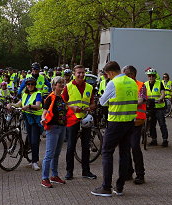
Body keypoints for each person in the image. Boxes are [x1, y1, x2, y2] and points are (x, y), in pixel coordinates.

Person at [91, 61, 142, 197]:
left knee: (107, 152)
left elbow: (102, 102)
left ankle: (106, 187)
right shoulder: (132, 82)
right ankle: (119, 187)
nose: (108, 77)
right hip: (130, 122)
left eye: (108, 75)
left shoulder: (113, 83)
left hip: (115, 123)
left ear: (111, 72)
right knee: (124, 154)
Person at [40, 76, 78, 188]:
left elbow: (66, 108)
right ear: (54, 85)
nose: (62, 84)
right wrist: (43, 119)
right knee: (49, 154)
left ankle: (54, 176)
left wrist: (74, 108)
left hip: (62, 128)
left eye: (63, 82)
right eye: (59, 83)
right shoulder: (50, 98)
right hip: (53, 128)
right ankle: (44, 178)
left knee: (56, 154)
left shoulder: (61, 98)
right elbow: (45, 112)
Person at [62, 65, 97, 180]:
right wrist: (72, 108)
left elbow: (93, 103)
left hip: (85, 119)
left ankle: (86, 171)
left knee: (86, 146)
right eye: (79, 73)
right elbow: (63, 103)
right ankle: (69, 172)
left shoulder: (89, 87)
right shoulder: (68, 87)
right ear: (74, 73)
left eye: (83, 73)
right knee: (71, 146)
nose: (81, 75)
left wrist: (90, 108)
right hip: (72, 120)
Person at [7, 76, 43, 171]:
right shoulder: (24, 94)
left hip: (35, 120)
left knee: (34, 140)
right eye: (28, 84)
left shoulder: (38, 93)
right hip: (27, 118)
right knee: (30, 140)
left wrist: (29, 106)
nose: (30, 86)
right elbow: (19, 104)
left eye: (32, 84)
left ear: (34, 85)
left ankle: (34, 161)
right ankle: (31, 159)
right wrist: (11, 105)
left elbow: (38, 106)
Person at [123, 65, 146, 185]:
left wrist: (126, 102)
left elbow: (141, 100)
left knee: (135, 147)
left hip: (137, 121)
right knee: (125, 147)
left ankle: (140, 174)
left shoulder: (141, 85)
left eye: (125, 74)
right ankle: (128, 171)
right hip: (125, 120)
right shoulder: (123, 85)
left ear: (132, 75)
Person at [144, 68, 168, 147]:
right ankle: (154, 139)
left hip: (159, 107)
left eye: (153, 76)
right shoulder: (145, 84)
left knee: (162, 124)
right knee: (151, 124)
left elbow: (163, 93)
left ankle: (165, 140)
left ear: (155, 76)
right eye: (149, 76)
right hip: (150, 107)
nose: (151, 77)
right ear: (147, 76)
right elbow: (143, 95)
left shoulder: (159, 83)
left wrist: (160, 98)